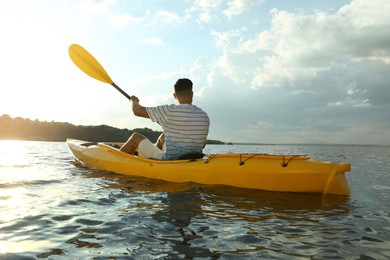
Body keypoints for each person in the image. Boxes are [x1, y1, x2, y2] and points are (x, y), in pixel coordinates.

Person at [120, 78, 210, 160]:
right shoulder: (204, 115)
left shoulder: (168, 110)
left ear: (175, 95)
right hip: (195, 158)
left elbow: (137, 111)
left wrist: (133, 101)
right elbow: (203, 144)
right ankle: (151, 158)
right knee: (163, 136)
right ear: (192, 94)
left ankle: (117, 161)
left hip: (171, 160)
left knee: (135, 137)